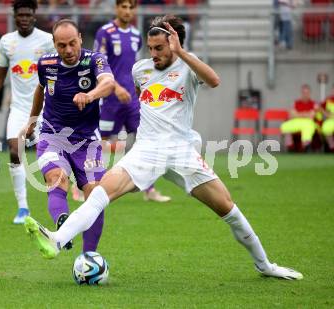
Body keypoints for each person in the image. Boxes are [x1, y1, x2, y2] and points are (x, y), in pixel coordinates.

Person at [23, 15, 303, 281]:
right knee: (100, 194)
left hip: (182, 152)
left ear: (174, 44)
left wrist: (182, 54)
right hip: (146, 151)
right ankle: (57, 239)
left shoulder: (188, 68)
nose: (153, 53)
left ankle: (265, 265)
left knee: (227, 208)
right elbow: (139, 99)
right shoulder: (140, 70)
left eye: (159, 48)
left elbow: (215, 81)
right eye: (150, 47)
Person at [23, 19, 115, 252]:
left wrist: (91, 94)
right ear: (54, 44)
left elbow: (109, 83)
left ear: (80, 39)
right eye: (62, 45)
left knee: (95, 195)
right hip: (52, 135)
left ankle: (89, 255)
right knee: (56, 178)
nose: (68, 50)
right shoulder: (45, 64)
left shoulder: (95, 60)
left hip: (87, 141)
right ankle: (62, 226)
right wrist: (31, 122)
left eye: (72, 43)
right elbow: (40, 90)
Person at [0, 0, 55, 224]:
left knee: (47, 156)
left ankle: (56, 199)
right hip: (19, 108)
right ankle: (23, 208)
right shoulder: (7, 42)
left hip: (44, 109)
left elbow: (59, 71)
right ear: (15, 16)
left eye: (28, 14)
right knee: (13, 149)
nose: (24, 18)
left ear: (34, 16)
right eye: (20, 15)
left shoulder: (47, 41)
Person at [93, 0, 171, 202]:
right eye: (124, 7)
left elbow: (137, 66)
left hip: (132, 98)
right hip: (110, 98)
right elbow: (98, 64)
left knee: (145, 139)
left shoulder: (137, 35)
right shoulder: (105, 32)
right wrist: (115, 87)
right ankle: (88, 184)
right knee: (99, 142)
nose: (128, 11)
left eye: (131, 7)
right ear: (117, 8)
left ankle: (150, 190)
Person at [280, 84, 318, 152]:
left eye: (307, 93)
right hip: (296, 122)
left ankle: (305, 146)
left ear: (309, 93)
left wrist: (299, 114)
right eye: (303, 93)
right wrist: (305, 114)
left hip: (308, 122)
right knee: (284, 126)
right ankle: (290, 146)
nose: (305, 94)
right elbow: (292, 114)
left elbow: (312, 115)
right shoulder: (296, 102)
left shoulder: (313, 103)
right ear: (301, 93)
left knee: (309, 126)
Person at [321, 85, 334, 152]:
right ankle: (332, 147)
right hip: (330, 120)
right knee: (326, 127)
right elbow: (321, 108)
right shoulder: (328, 100)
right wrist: (326, 114)